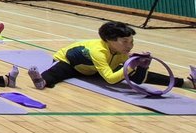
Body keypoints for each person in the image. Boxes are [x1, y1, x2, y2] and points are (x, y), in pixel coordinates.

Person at [27, 21, 196, 90]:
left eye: (131, 41)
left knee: (137, 72)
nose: (129, 46)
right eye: (125, 42)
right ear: (109, 40)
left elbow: (137, 80)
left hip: (97, 68)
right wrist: (130, 66)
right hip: (71, 63)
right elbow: (110, 79)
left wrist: (141, 67)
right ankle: (42, 81)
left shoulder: (121, 52)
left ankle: (187, 83)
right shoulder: (98, 51)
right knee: (58, 72)